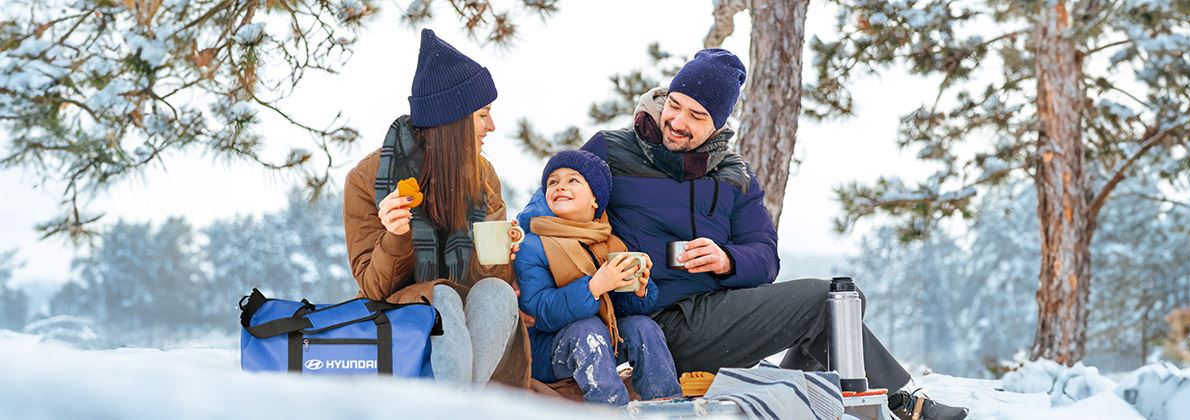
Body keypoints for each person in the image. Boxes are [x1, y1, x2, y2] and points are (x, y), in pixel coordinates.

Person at [551, 48, 966, 419]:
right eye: (674, 106)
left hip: (714, 312)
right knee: (828, 303)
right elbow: (550, 202)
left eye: (697, 116)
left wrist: (726, 259)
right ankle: (901, 403)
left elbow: (765, 257)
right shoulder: (610, 150)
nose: (676, 122)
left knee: (843, 304)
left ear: (717, 124)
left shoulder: (736, 177)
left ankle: (794, 388)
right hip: (648, 323)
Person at [342, 29, 529, 388]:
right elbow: (372, 287)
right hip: (399, 320)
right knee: (441, 295)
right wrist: (396, 237)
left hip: (466, 324)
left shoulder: (483, 175)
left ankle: (460, 405)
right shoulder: (368, 179)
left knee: (497, 293)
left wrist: (500, 251)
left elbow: (491, 282)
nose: (491, 126)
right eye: (483, 114)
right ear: (454, 120)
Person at [513, 150, 682, 405]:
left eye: (573, 180)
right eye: (553, 182)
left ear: (595, 199)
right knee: (587, 330)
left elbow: (617, 308)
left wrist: (638, 291)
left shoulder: (609, 242)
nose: (561, 186)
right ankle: (610, 407)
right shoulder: (534, 245)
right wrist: (593, 288)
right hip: (548, 350)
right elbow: (539, 310)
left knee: (642, 327)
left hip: (601, 341)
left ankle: (666, 402)